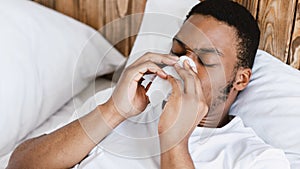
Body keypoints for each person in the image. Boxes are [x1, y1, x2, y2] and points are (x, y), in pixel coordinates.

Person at [7, 0, 290, 169]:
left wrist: (175, 140)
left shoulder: (258, 159)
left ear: (240, 79)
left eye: (205, 61)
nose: (184, 66)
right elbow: (20, 165)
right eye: (179, 52)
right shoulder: (118, 109)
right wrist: (113, 111)